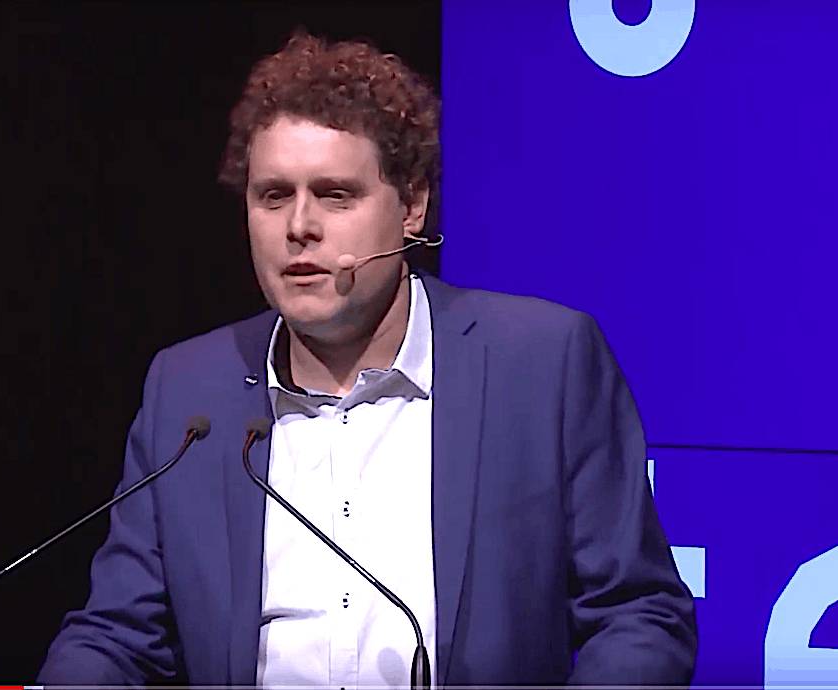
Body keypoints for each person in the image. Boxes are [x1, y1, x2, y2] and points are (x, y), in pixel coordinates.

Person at [38, 31, 696, 686]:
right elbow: (119, 635)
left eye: (334, 195)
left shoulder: (544, 364)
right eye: (273, 196)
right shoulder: (189, 391)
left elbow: (638, 616)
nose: (300, 226)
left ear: (411, 205)